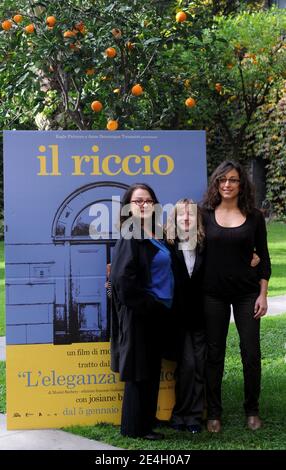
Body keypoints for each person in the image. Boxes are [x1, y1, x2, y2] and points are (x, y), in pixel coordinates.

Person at [202, 160, 271, 433]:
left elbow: (263, 257)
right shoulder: (204, 213)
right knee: (214, 354)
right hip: (212, 294)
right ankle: (214, 412)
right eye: (222, 180)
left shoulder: (254, 216)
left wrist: (263, 294)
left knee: (251, 353)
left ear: (241, 184)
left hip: (247, 294)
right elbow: (188, 244)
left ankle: (252, 409)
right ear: (216, 184)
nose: (227, 184)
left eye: (232, 180)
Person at [110, 183, 175, 440]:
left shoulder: (152, 233)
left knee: (149, 368)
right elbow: (122, 279)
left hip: (155, 313)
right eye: (138, 201)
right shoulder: (131, 233)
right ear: (128, 206)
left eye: (148, 200)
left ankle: (146, 421)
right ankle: (134, 428)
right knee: (139, 371)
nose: (144, 204)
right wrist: (148, 305)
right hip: (140, 314)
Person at [166, 199, 206, 434]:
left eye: (191, 215)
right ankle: (179, 413)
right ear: (175, 219)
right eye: (182, 215)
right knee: (187, 366)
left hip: (202, 316)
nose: (187, 219)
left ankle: (194, 416)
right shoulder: (167, 246)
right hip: (178, 318)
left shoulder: (204, 245)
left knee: (200, 366)